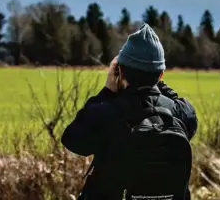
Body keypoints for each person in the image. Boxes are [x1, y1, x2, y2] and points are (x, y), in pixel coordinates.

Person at [61, 23, 198, 200]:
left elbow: (72, 140)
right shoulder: (180, 112)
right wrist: (155, 78)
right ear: (161, 74)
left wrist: (107, 91)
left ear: (120, 71)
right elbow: (178, 102)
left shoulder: (106, 112)